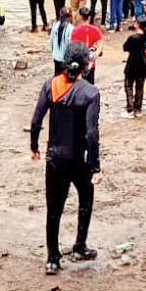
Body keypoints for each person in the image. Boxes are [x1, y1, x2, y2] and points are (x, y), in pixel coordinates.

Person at [29, 43, 102, 276]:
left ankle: (52, 258)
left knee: (54, 208)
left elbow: (36, 121)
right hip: (78, 159)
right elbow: (92, 134)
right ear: (85, 66)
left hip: (55, 158)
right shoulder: (91, 93)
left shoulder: (50, 85)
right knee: (86, 197)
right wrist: (95, 167)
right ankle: (79, 246)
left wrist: (34, 146)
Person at [69, 7, 104, 85]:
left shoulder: (75, 31)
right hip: (91, 64)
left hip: (80, 64)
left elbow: (73, 48)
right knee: (90, 86)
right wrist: (94, 56)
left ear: (80, 16)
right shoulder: (95, 30)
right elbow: (100, 46)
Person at [122, 19, 146, 118]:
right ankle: (138, 108)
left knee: (129, 85)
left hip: (132, 62)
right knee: (140, 85)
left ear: (138, 25)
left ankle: (130, 107)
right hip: (142, 63)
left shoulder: (133, 38)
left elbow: (125, 48)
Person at [49, 7, 73, 74]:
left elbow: (51, 40)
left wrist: (53, 52)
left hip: (56, 57)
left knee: (57, 75)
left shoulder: (55, 24)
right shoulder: (70, 28)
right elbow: (70, 44)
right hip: (65, 59)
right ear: (70, 16)